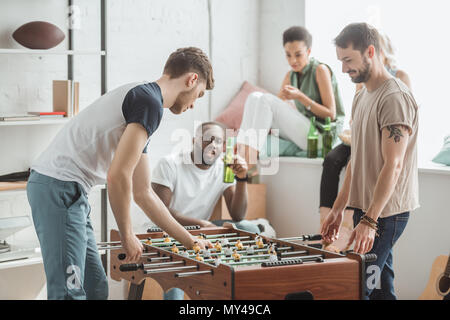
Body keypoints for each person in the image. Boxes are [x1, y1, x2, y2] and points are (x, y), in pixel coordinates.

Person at [26, 47, 214, 300]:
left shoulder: (145, 103)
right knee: (69, 293)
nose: (193, 105)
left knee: (95, 287)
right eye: (199, 95)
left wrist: (190, 241)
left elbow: (143, 192)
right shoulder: (148, 102)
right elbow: (118, 176)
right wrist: (127, 234)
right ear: (191, 79)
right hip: (58, 187)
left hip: (70, 191)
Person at [321, 23, 419, 300]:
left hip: (386, 213)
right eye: (340, 61)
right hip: (365, 210)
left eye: (348, 60)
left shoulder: (395, 97)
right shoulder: (362, 95)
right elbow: (357, 160)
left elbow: (394, 165)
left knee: (358, 285)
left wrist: (370, 221)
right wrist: (339, 208)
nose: (343, 69)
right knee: (379, 287)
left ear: (371, 52)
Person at [151, 121, 260, 300]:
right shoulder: (170, 164)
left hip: (202, 232)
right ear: (194, 141)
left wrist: (241, 179)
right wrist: (202, 224)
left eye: (218, 141)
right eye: (207, 140)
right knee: (178, 273)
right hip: (166, 231)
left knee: (249, 228)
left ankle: (240, 288)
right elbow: (160, 211)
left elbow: (238, 215)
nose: (212, 145)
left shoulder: (222, 169)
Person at [236, 26, 345, 165]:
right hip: (304, 132)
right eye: (288, 55)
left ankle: (249, 160)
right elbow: (270, 109)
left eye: (298, 54)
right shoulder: (290, 75)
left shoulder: (320, 70)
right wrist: (280, 98)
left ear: (309, 51)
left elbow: (331, 114)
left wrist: (300, 96)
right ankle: (240, 151)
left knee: (265, 99)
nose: (293, 60)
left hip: (320, 136)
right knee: (254, 97)